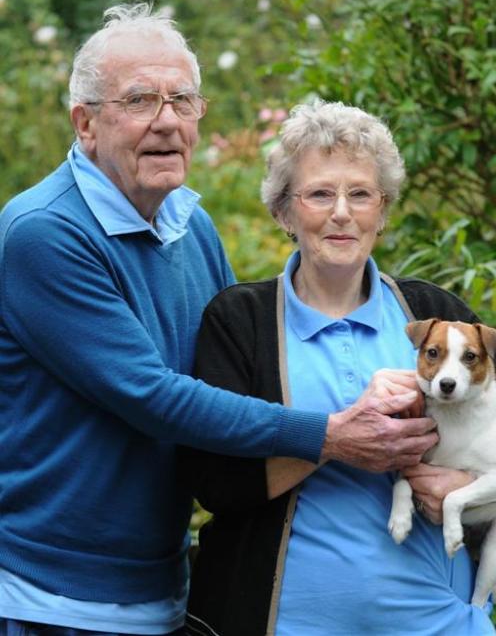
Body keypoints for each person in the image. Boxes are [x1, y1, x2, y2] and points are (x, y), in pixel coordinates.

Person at [0, 5, 439, 636]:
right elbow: (149, 394)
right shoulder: (45, 233)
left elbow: (238, 376)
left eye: (183, 100)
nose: (167, 121)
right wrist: (330, 435)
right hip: (57, 594)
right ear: (86, 122)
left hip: (160, 586)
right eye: (140, 99)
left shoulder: (188, 224)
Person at [180, 100, 495, 635]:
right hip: (287, 623)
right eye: (320, 193)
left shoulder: (434, 319)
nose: (342, 212)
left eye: (361, 194)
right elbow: (216, 484)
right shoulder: (241, 321)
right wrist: (336, 437)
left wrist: (463, 485)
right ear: (283, 211)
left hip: (438, 622)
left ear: (383, 209)